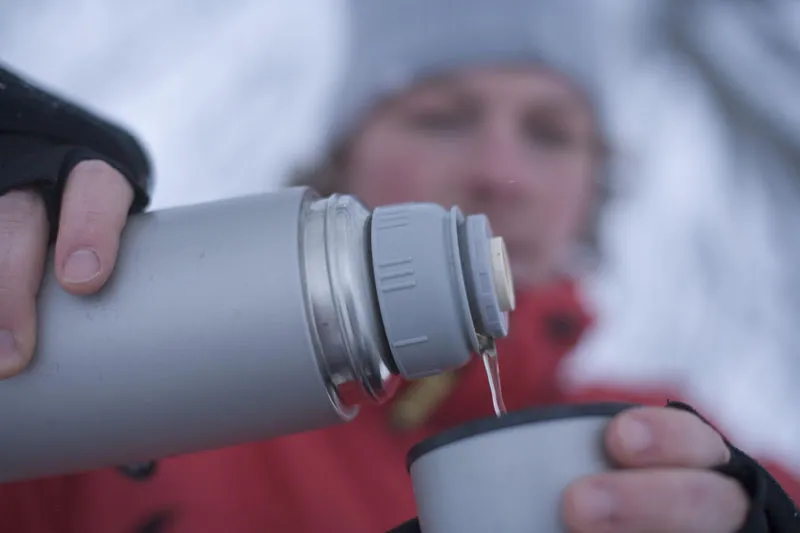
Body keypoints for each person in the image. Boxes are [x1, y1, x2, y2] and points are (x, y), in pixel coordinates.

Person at [0, 1, 798, 532]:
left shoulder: (667, 443)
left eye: (550, 132)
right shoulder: (130, 396)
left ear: (597, 185)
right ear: (341, 164)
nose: (501, 173)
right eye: (440, 117)